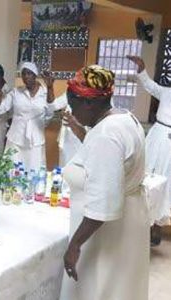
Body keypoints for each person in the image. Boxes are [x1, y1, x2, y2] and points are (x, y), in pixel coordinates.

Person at [60, 65, 148, 300]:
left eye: (74, 104)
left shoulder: (106, 135)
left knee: (99, 288)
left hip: (105, 231)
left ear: (89, 103)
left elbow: (103, 203)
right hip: (129, 219)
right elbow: (106, 158)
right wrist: (81, 131)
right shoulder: (122, 117)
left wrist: (75, 245)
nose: (72, 110)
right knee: (118, 287)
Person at [127, 55, 171, 246]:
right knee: (147, 173)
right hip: (157, 136)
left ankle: (157, 226)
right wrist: (142, 68)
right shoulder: (167, 91)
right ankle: (140, 222)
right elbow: (149, 85)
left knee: (166, 181)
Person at [0, 62, 55, 171]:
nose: (26, 76)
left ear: (35, 75)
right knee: (12, 170)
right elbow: (0, 109)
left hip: (35, 139)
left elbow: (50, 112)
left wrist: (50, 87)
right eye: (23, 74)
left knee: (34, 170)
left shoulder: (45, 92)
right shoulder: (16, 92)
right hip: (16, 137)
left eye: (29, 73)